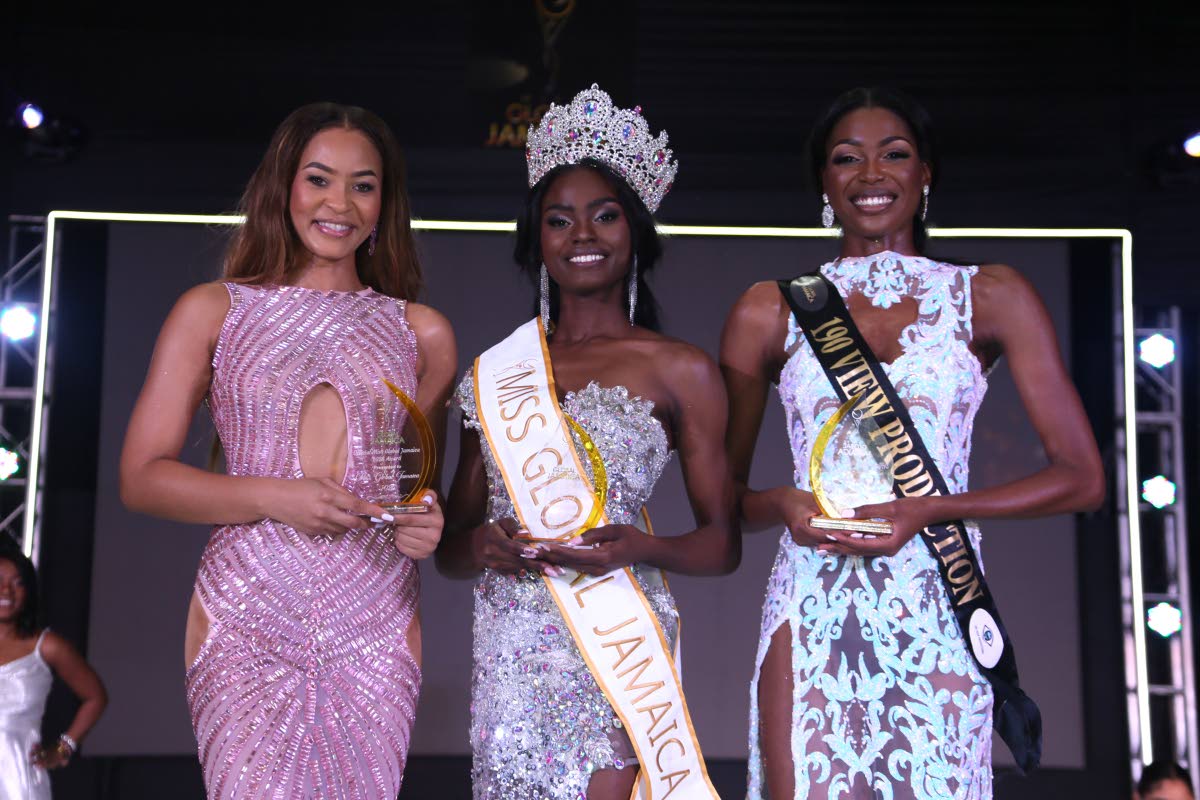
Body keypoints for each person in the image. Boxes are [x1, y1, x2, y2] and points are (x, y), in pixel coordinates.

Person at [719, 87, 1106, 799]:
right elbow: (725, 500)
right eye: (847, 159)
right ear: (824, 184)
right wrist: (782, 502)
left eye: (893, 155)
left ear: (926, 174)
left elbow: (1083, 477)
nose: (871, 174)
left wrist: (928, 511)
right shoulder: (767, 308)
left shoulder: (987, 295)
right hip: (811, 596)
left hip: (934, 590)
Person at [119, 103, 457, 799]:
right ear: (283, 186)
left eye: (363, 185)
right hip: (248, 610)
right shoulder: (213, 310)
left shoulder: (422, 334)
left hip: (376, 616)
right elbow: (141, 478)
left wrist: (424, 523)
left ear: (385, 203)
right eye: (319, 179)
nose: (340, 203)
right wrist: (279, 496)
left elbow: (413, 488)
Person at [439, 84, 738, 800]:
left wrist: (641, 547)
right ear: (536, 239)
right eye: (560, 219)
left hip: (617, 640)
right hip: (512, 643)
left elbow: (721, 545)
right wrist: (480, 546)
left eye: (604, 216)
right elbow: (451, 546)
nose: (582, 235)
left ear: (633, 230)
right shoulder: (492, 374)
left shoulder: (682, 369)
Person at [0, 545, 107, 800]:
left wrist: (63, 748)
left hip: (16, 781)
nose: (6, 591)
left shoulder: (47, 646)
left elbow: (95, 697)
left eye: (18, 583)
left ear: (29, 591)